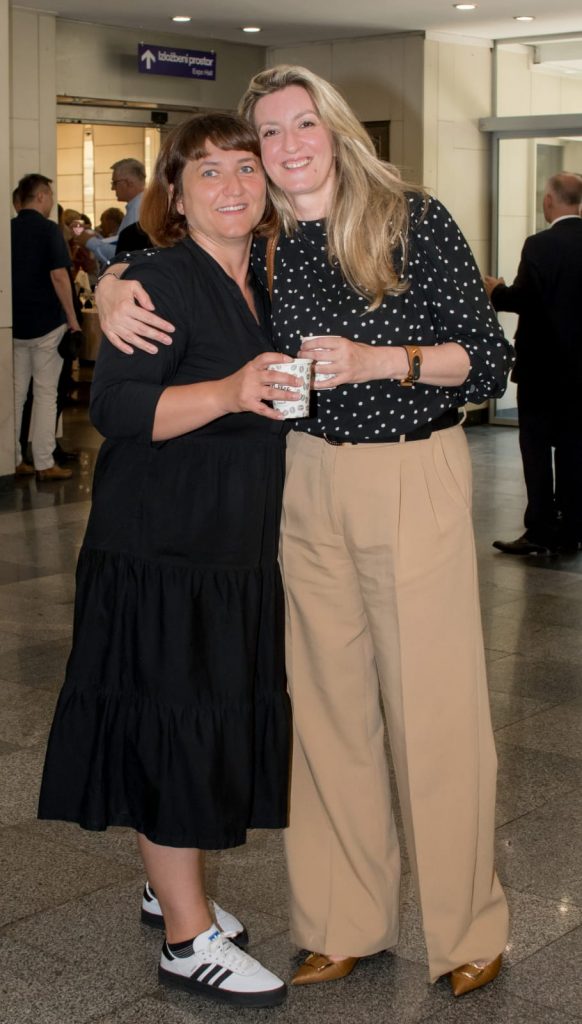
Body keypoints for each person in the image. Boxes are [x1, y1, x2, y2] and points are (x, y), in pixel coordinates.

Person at [94, 65, 512, 997]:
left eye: (302, 125)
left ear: (334, 129)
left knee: (434, 712)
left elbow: (487, 359)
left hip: (409, 471)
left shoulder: (409, 218)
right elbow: (178, 256)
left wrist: (380, 360)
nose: (286, 147)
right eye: (269, 133)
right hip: (302, 481)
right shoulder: (270, 237)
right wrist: (114, 282)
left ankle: (467, 928)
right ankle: (341, 920)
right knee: (324, 715)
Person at [38, 112, 301, 1008]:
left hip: (231, 545)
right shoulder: (157, 278)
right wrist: (229, 389)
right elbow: (116, 409)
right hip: (162, 547)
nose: (232, 186)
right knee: (172, 721)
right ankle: (189, 939)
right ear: (176, 197)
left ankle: (168, 882)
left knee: (202, 714)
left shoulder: (266, 279)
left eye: (245, 168)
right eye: (209, 173)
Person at [484, 172, 582, 556]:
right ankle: (573, 528)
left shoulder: (540, 245)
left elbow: (525, 299)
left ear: (549, 201)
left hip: (542, 371)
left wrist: (496, 291)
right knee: (574, 448)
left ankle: (541, 529)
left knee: (537, 449)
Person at [11, 173, 80, 480]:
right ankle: (44, 462)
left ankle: (12, 458)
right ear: (40, 196)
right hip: (47, 325)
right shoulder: (48, 229)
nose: (51, 201)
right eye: (49, 195)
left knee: (16, 395)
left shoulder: (8, 229)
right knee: (45, 394)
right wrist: (73, 320)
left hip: (15, 325)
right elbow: (59, 276)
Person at [77, 158, 146, 266]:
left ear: (129, 183)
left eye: (115, 183)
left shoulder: (139, 210)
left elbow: (125, 255)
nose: (112, 188)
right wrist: (95, 237)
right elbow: (121, 243)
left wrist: (90, 242)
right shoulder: (138, 206)